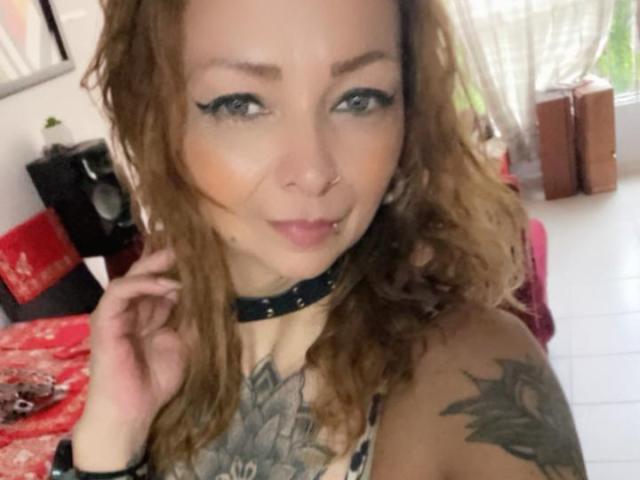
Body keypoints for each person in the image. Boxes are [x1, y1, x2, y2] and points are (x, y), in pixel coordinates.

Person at [54, 0, 587, 478]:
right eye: (241, 104)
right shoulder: (154, 353)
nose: (313, 172)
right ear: (157, 120)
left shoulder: (474, 374)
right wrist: (111, 440)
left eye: (359, 99)